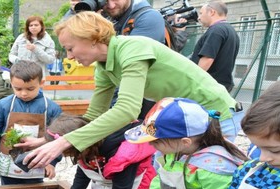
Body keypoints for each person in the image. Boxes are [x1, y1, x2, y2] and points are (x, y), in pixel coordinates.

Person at [21, 12, 242, 170]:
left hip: (215, 115)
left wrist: (65, 143)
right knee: (169, 178)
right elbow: (93, 116)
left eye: (70, 48)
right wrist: (51, 139)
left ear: (92, 39)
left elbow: (127, 109)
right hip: (181, 121)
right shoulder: (104, 66)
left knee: (204, 180)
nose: (68, 56)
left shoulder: (133, 48)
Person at [46, 115, 156, 189]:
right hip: (111, 188)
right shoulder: (86, 147)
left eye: (67, 152)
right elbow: (82, 174)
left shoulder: (123, 155)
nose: (65, 155)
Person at [0, 60, 62, 185]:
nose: (24, 93)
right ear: (11, 84)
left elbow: (57, 138)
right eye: (18, 89)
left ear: (41, 83)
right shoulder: (3, 105)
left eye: (30, 88)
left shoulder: (51, 108)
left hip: (37, 163)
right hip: (7, 164)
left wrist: (51, 162)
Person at [191, 1, 239, 93]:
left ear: (212, 12)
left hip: (209, 86)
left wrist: (193, 80)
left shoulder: (216, 31)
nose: (199, 17)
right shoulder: (230, 30)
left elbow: (207, 58)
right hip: (221, 85)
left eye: (201, 13)